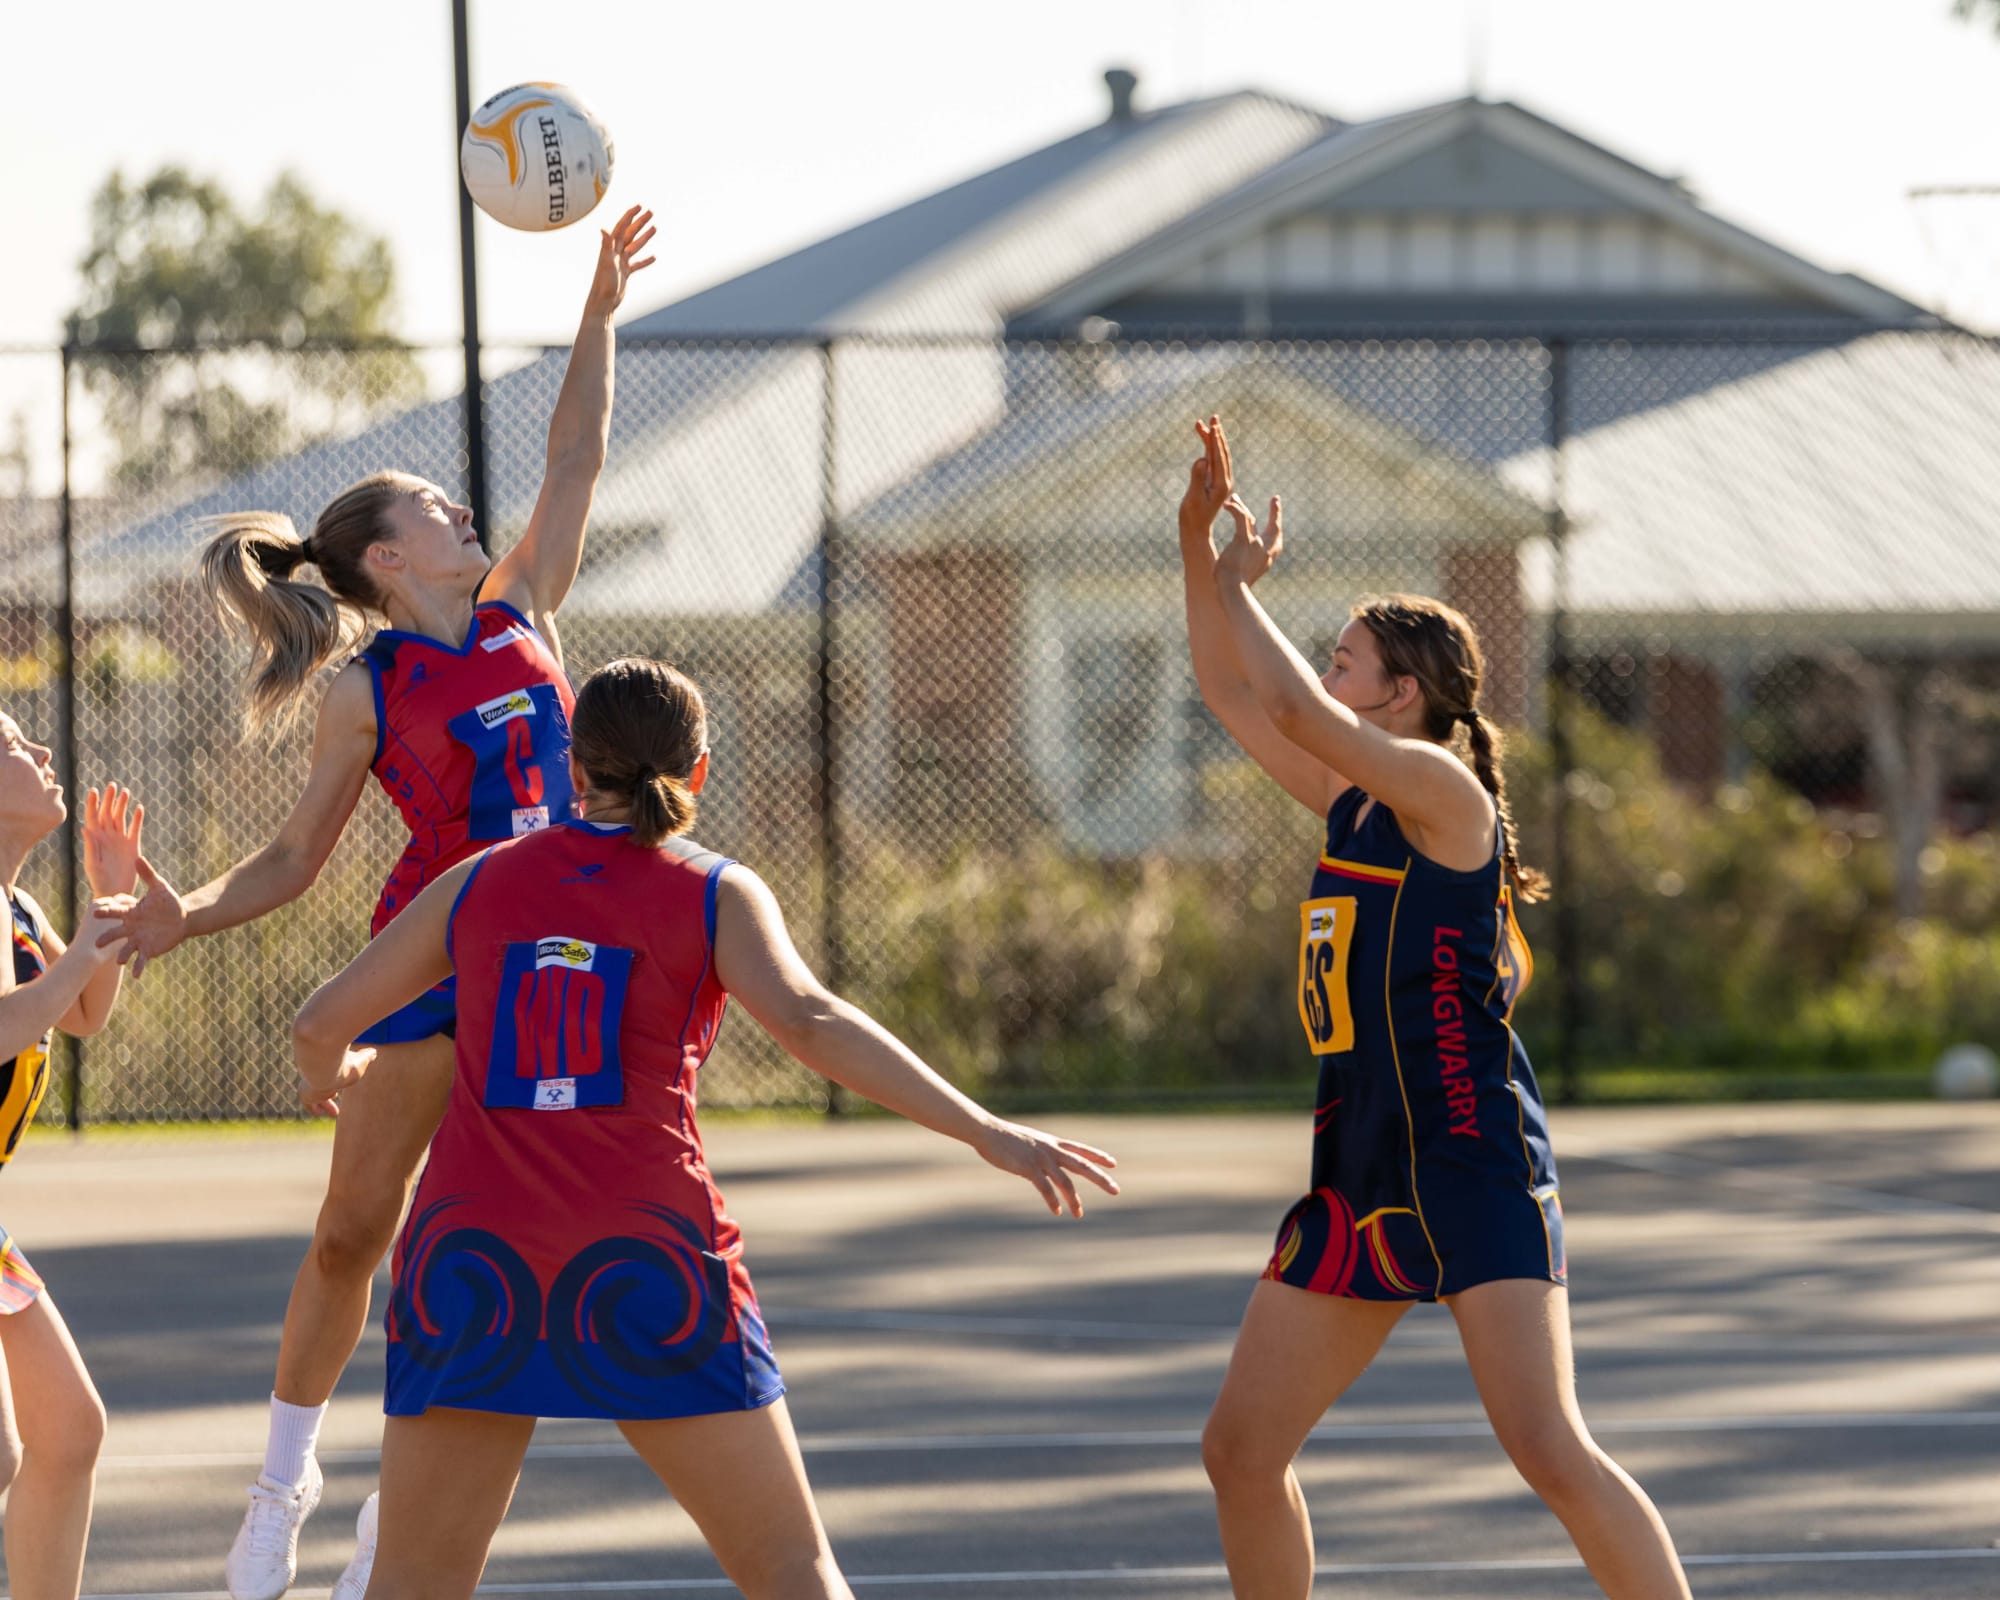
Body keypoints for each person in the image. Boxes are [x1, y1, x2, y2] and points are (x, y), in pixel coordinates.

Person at [288, 655, 1120, 1600]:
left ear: (574, 767)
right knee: (791, 1573)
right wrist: (984, 1129)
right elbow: (812, 1022)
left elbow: (320, 1022)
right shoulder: (715, 891)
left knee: (413, 1585)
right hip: (647, 1260)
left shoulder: (481, 881)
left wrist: (335, 1077)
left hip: (476, 1262)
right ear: (700, 770)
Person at [108, 207, 657, 1600]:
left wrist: (594, 311)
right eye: (436, 509)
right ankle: (282, 1492)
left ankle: (390, 1535)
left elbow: (577, 449)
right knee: (357, 1230)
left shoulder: (526, 606)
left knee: (477, 1253)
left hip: (564, 964)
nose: (465, 515)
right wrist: (184, 918)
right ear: (386, 561)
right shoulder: (369, 689)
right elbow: (296, 858)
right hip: (436, 956)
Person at [1178, 417, 1692, 1599]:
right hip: (1359, 1160)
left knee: (1547, 1448)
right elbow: (1228, 685)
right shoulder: (1351, 803)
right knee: (1240, 1451)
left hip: (1469, 1159)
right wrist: (1190, 545)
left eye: (1346, 657)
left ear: (1401, 694)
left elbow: (1297, 710)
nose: (1327, 668)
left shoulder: (1443, 798)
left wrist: (1232, 578)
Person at [0, 713, 146, 1600]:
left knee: (68, 1432)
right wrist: (72, 964)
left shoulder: (16, 906)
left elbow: (82, 1013)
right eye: (13, 748)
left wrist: (111, 905)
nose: (42, 755)